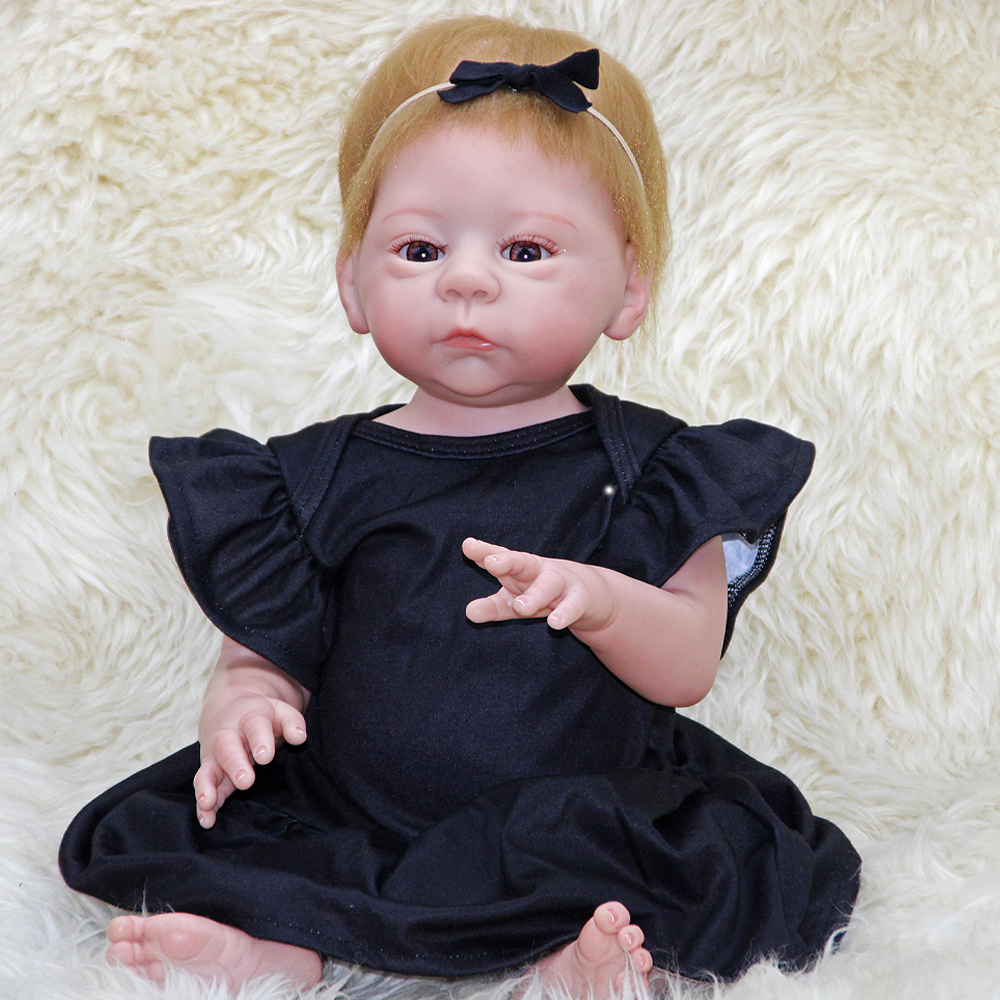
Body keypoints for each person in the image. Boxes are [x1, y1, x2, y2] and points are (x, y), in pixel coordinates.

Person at [59, 15, 861, 998]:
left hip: (571, 814)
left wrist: (604, 602)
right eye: (419, 247)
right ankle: (280, 948)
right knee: (216, 822)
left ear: (628, 287)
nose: (469, 280)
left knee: (701, 858)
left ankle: (565, 960)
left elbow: (688, 665)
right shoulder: (310, 474)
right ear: (353, 283)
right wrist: (247, 703)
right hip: (356, 808)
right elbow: (265, 647)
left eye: (525, 249)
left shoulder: (659, 469)